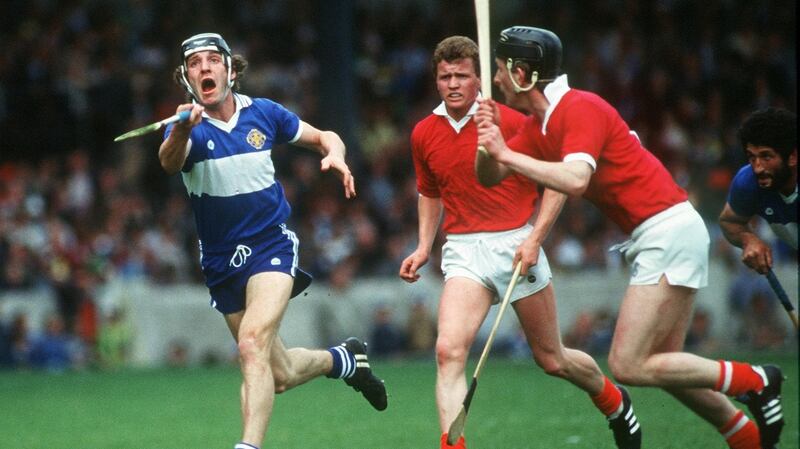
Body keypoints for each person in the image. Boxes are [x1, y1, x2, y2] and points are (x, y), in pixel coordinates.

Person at [474, 26, 785, 449]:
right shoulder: (538, 126)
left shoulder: (580, 107)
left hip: (667, 229)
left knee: (628, 363)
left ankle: (757, 380)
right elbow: (489, 177)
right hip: (662, 232)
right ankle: (746, 438)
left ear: (523, 73)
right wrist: (486, 141)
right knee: (668, 368)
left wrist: (506, 152)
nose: (493, 81)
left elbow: (576, 180)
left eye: (498, 70)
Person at [399, 35, 641, 449]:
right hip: (462, 251)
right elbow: (430, 191)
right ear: (436, 81)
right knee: (448, 351)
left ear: (481, 80)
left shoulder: (513, 122)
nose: (453, 84)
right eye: (445, 77)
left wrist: (535, 238)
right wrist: (424, 246)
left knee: (552, 359)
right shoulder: (424, 132)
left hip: (515, 244)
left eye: (462, 75)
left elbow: (559, 181)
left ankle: (614, 401)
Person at [158, 33, 387, 449]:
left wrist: (334, 153)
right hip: (220, 261)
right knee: (276, 373)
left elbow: (324, 136)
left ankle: (248, 446)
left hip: (270, 246)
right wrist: (178, 132)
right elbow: (169, 162)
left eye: (213, 60)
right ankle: (344, 360)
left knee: (251, 345)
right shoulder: (184, 129)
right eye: (195, 63)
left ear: (230, 69)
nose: (205, 68)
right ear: (187, 78)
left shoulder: (262, 113)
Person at [719, 107, 797, 272]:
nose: (757, 168)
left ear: (792, 157)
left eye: (766, 156)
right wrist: (748, 238)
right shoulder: (747, 182)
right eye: (752, 157)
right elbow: (730, 221)